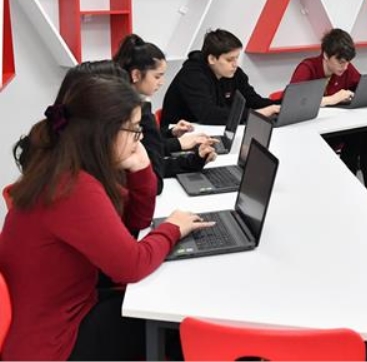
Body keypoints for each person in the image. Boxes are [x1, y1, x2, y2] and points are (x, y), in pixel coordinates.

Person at [0, 76, 215, 360]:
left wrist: (141, 166)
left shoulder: (65, 167)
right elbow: (131, 266)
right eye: (134, 129)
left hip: (61, 316)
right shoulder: (73, 187)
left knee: (162, 309)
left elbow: (135, 224)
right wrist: (172, 229)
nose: (140, 137)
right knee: (175, 325)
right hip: (55, 344)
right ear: (105, 133)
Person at [289, 28, 367, 219]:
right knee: (357, 135)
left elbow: (361, 87)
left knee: (366, 132)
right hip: (310, 135)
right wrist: (332, 99)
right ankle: (347, 195)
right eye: (340, 61)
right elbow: (293, 102)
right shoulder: (307, 68)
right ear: (326, 55)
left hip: (336, 130)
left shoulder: (345, 69)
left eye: (348, 62)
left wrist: (362, 94)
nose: (345, 66)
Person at [113, 34, 217, 194]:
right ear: (136, 75)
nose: (161, 82)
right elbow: (154, 179)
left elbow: (152, 160)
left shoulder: (126, 104)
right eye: (157, 76)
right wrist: (178, 144)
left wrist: (192, 160)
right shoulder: (134, 111)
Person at [160, 29, 280, 128]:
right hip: (178, 136)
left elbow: (253, 101)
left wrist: (280, 106)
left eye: (236, 58)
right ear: (212, 59)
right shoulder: (192, 75)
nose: (235, 64)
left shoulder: (233, 72)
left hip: (210, 131)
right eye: (229, 59)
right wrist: (257, 114)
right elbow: (208, 114)